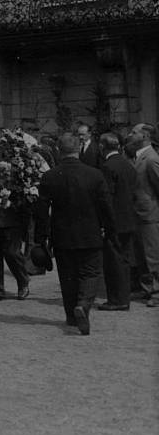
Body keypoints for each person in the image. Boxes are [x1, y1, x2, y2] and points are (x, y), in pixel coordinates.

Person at [35, 134, 117, 335]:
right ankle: (83, 305)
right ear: (79, 148)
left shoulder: (50, 176)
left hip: (62, 235)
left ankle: (72, 316)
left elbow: (41, 210)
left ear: (59, 150)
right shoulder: (95, 174)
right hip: (90, 233)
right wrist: (111, 229)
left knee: (67, 276)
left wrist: (40, 238)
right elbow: (106, 205)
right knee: (91, 273)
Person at [98, 132, 138, 311]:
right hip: (129, 218)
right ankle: (123, 297)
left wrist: (104, 223)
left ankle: (117, 299)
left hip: (115, 221)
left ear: (102, 147)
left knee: (114, 261)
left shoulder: (108, 167)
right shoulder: (127, 165)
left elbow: (107, 199)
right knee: (124, 259)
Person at [127, 123, 159, 307]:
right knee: (141, 254)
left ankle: (156, 291)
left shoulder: (151, 159)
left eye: (134, 132)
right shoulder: (139, 157)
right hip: (139, 214)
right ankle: (147, 288)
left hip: (150, 214)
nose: (130, 135)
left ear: (145, 135)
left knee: (152, 254)